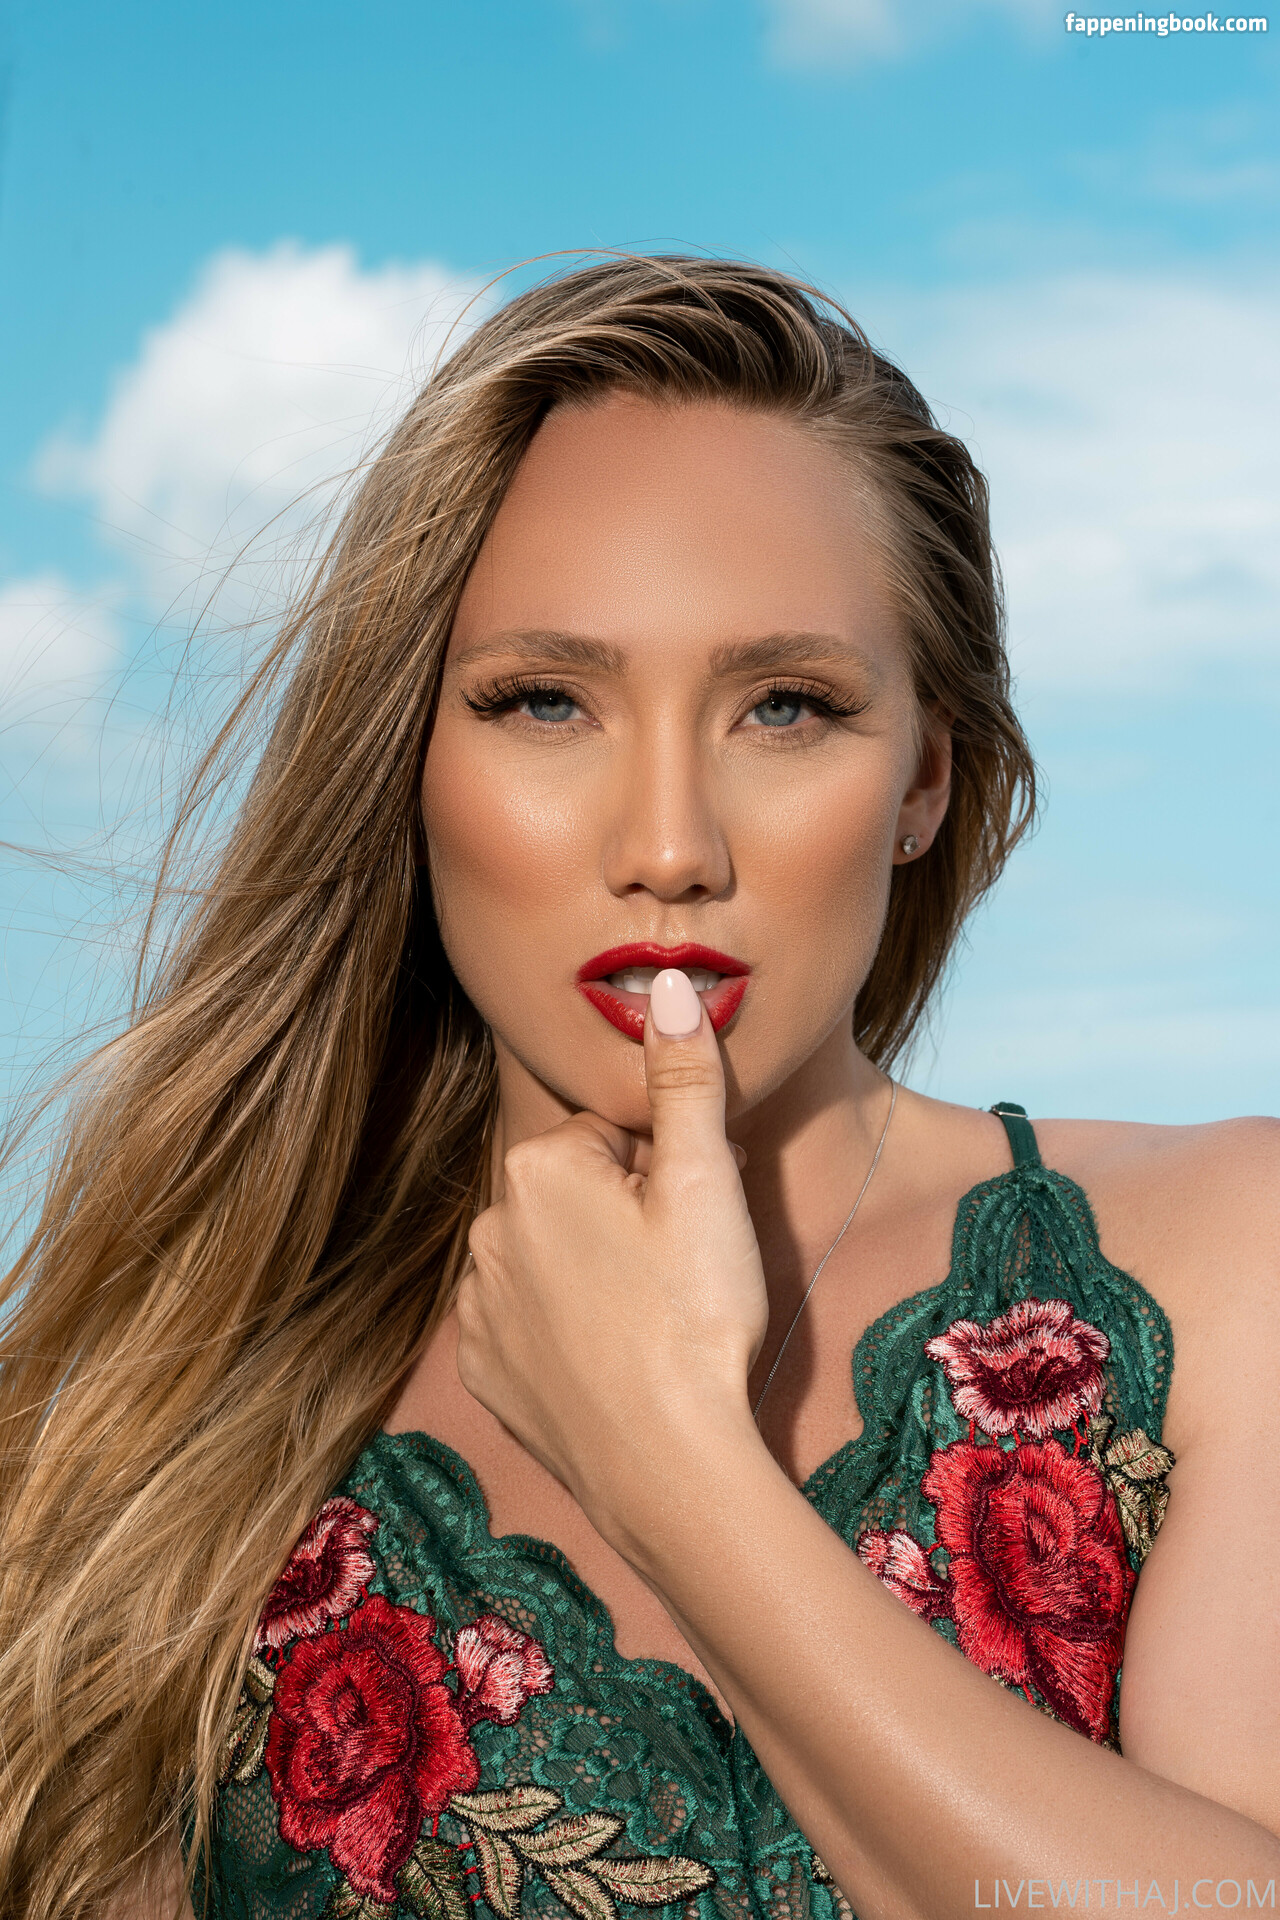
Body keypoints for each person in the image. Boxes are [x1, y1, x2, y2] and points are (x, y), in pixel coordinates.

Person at [1, 255, 1276, 1920]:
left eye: (786, 708)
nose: (669, 846)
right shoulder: (168, 1458)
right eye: (546, 702)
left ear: (924, 780)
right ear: (410, 762)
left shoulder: (1226, 1263)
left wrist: (673, 1472)